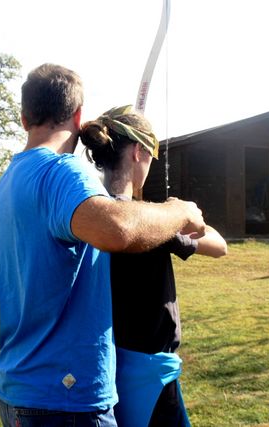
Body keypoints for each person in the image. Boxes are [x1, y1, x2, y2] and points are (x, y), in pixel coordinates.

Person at [0, 64, 207, 426]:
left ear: (24, 117)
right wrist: (179, 211)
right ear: (77, 116)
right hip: (65, 398)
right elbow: (118, 228)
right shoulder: (61, 171)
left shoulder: (10, 179)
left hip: (20, 389)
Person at [81, 105, 227, 426]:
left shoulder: (87, 215)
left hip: (105, 362)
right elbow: (219, 246)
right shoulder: (151, 221)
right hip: (148, 370)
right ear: (137, 152)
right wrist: (183, 213)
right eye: (150, 154)